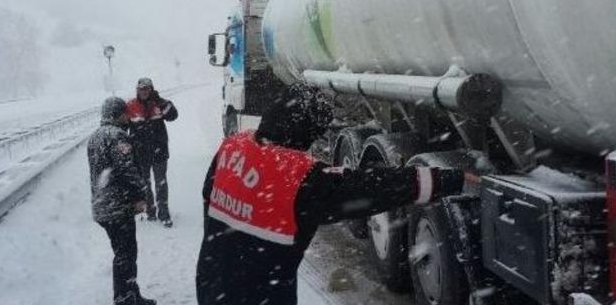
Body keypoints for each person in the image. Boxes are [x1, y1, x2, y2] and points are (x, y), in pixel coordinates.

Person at [195, 83, 466, 305]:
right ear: (304, 131)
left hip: (211, 285)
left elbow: (209, 194)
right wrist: (448, 179)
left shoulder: (233, 147)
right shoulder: (299, 179)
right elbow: (372, 187)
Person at [87, 97, 156, 305]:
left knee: (123, 252)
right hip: (117, 207)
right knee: (126, 255)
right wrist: (142, 193)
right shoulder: (117, 136)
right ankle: (125, 299)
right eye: (125, 113)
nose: (129, 115)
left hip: (102, 206)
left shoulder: (95, 137)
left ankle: (132, 295)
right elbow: (126, 170)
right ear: (117, 114)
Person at [126, 77, 178, 226]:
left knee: (161, 183)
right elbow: (122, 125)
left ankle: (163, 212)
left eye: (147, 88)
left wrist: (160, 102)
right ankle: (150, 210)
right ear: (137, 90)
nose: (143, 91)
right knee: (145, 183)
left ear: (152, 89)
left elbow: (173, 115)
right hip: (140, 152)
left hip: (159, 150)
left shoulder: (160, 104)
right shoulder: (130, 105)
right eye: (141, 89)